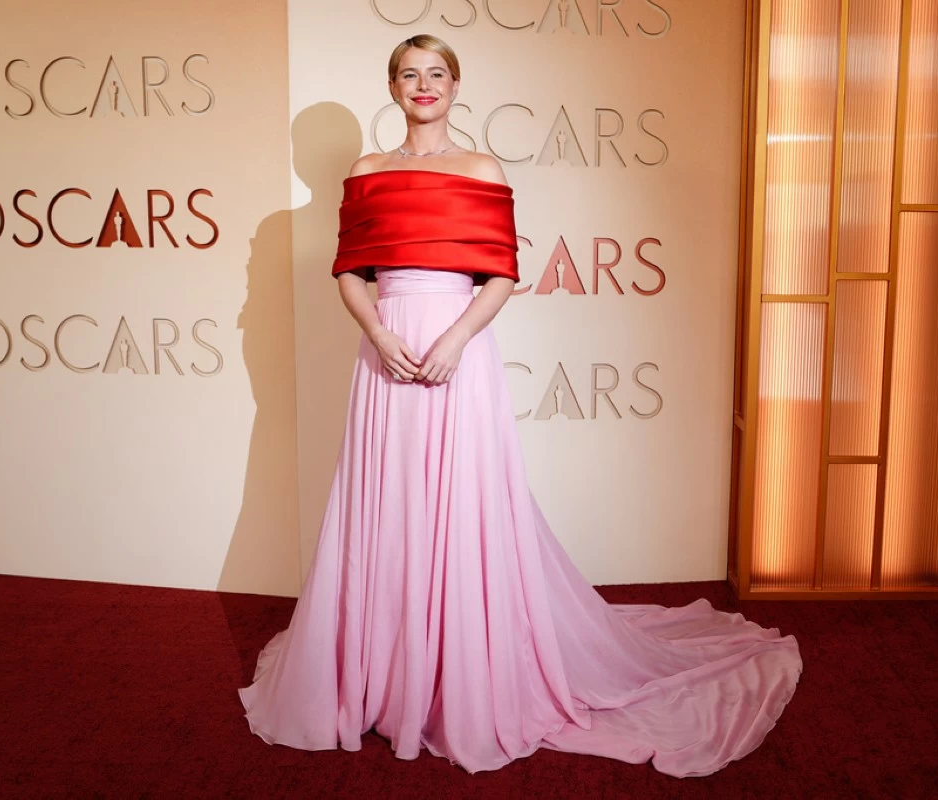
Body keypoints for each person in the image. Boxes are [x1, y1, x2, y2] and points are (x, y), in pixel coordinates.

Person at [238, 34, 802, 778]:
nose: (424, 85)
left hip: (457, 353)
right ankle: (385, 678)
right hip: (385, 354)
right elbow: (351, 271)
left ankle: (456, 681)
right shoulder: (367, 170)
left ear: (456, 84)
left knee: (460, 504)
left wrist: (454, 341)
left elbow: (499, 276)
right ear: (393, 88)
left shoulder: (481, 167)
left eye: (436, 73)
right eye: (410, 74)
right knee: (388, 505)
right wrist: (377, 331)